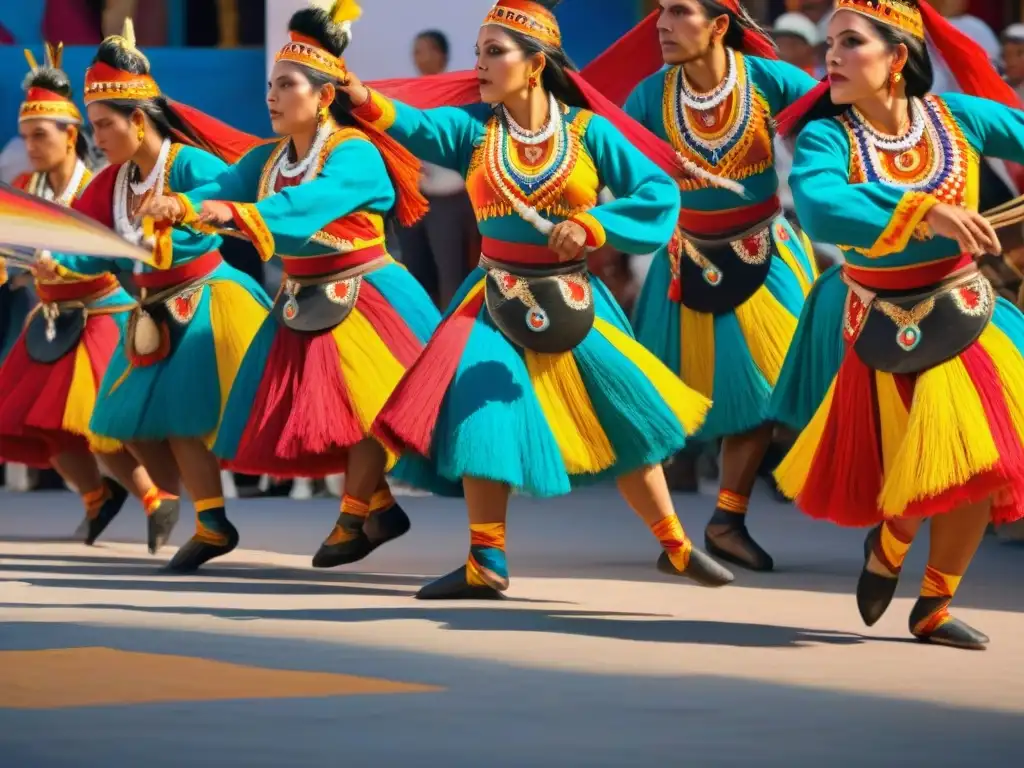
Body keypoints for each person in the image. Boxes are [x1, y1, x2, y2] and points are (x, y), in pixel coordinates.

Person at [340, 0, 735, 600]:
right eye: (477, 53)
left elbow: (655, 193)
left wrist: (596, 225)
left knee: (622, 419)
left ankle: (676, 546)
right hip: (492, 293)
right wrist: (351, 88)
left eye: (494, 52)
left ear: (535, 65)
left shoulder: (589, 132)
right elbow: (408, 123)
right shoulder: (473, 134)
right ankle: (485, 558)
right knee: (481, 409)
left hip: (573, 296)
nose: (480, 65)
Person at [140, 0, 441, 568]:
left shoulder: (357, 153)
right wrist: (179, 203)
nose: (271, 96)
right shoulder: (271, 157)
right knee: (329, 414)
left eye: (286, 85)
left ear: (325, 95)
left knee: (370, 406)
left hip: (365, 295)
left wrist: (235, 215)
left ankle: (353, 515)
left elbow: (307, 204)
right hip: (303, 299)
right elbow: (225, 183)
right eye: (270, 85)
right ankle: (378, 507)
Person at [771, 0, 1024, 649]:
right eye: (829, 44)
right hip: (884, 322)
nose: (831, 57)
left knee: (978, 461)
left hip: (965, 313)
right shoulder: (831, 138)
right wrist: (928, 211)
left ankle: (933, 604)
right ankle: (890, 541)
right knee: (925, 464)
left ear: (897, 59)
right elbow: (823, 209)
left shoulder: (957, 119)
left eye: (850, 42)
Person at [37, 19, 272, 572]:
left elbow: (232, 205)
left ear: (138, 121)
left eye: (102, 127)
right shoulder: (108, 185)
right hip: (150, 315)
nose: (97, 139)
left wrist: (178, 220)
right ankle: (196, 512)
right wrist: (59, 260)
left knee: (205, 415)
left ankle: (361, 502)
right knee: (119, 422)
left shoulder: (190, 165)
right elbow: (91, 248)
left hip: (207, 302)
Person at [610, 0, 818, 572]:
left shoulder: (771, 79)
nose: (662, 25)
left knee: (766, 391)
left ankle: (727, 518)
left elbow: (837, 127)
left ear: (720, 24)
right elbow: (618, 173)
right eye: (659, 13)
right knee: (663, 401)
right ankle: (671, 530)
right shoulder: (649, 97)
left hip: (766, 252)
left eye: (679, 12)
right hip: (685, 260)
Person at [0, 41, 180, 550]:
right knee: (34, 422)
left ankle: (152, 497)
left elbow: (123, 251)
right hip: (51, 317)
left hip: (101, 313)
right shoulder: (24, 186)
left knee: (101, 425)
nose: (31, 146)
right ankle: (97, 499)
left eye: (40, 135)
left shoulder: (99, 186)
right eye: (25, 137)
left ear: (71, 134)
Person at [396, 29, 480, 309]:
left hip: (451, 199)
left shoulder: (458, 96)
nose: (415, 57)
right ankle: (422, 335)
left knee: (452, 275)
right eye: (414, 51)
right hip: (416, 199)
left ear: (440, 54)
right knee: (417, 273)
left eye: (422, 50)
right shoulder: (410, 96)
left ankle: (453, 340)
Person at [773, 12, 823, 77]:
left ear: (808, 49)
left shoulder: (825, 79)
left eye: (784, 43)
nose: (777, 49)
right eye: (777, 42)